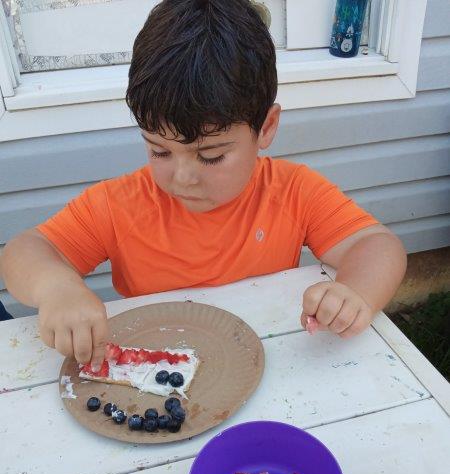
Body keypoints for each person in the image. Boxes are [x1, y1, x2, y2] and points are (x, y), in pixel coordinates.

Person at [0, 0, 406, 371]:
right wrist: (55, 287)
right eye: (159, 151)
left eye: (210, 156)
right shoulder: (119, 204)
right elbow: (25, 250)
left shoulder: (292, 192)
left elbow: (376, 246)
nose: (182, 177)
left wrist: (355, 292)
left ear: (266, 127)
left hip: (267, 363)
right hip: (156, 373)